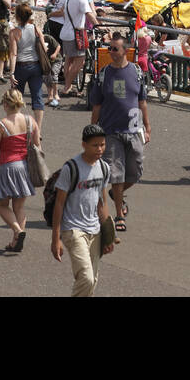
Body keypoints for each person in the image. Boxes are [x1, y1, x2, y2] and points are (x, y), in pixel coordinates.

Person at [89, 35, 149, 231]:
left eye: (115, 49)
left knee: (135, 172)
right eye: (109, 49)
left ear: (125, 51)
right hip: (110, 131)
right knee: (116, 174)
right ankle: (118, 215)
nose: (110, 52)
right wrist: (93, 131)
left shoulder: (137, 72)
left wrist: (147, 127)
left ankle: (118, 194)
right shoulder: (103, 74)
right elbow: (97, 105)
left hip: (133, 129)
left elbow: (142, 102)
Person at [50, 123, 116, 297]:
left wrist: (109, 234)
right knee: (86, 278)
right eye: (95, 145)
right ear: (84, 144)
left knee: (92, 281)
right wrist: (55, 239)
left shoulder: (103, 168)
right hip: (73, 229)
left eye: (102, 144)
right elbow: (59, 203)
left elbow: (102, 201)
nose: (100, 149)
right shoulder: (70, 168)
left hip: (95, 230)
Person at [0, 88, 38, 252]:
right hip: (25, 167)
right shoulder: (31, 120)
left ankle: (18, 231)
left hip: (8, 167)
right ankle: (16, 240)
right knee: (19, 206)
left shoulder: (1, 124)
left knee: (1, 203)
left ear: (5, 104)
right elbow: (37, 145)